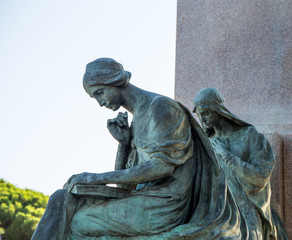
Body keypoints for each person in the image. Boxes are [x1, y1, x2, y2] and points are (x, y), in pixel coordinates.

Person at [32, 58, 242, 239]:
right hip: (142, 199)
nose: (100, 103)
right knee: (62, 198)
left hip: (163, 207)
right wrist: (123, 145)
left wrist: (95, 177)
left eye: (100, 93)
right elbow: (126, 187)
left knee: (77, 222)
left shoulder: (161, 108)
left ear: (114, 81)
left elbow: (161, 168)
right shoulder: (137, 119)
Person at [193, 88, 288, 240]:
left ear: (218, 110)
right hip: (214, 213)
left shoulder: (249, 136)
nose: (202, 119)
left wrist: (227, 155)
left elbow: (261, 175)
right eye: (198, 115)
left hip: (245, 211)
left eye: (205, 112)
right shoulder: (206, 144)